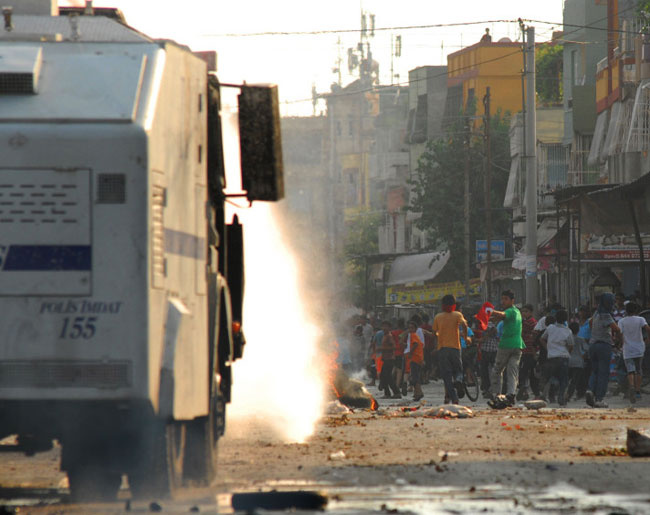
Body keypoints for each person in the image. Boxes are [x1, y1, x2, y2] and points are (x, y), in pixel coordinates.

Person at [488, 290, 525, 407]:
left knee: (497, 370)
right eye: (502, 298)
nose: (503, 301)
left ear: (512, 301)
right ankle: (511, 395)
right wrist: (490, 317)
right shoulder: (517, 312)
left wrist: (490, 311)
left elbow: (502, 315)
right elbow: (500, 318)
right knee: (513, 371)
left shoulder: (510, 311)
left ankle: (496, 395)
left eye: (505, 299)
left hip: (506, 345)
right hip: (518, 345)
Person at [586, 293, 622, 408]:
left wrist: (595, 333)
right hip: (604, 346)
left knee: (595, 371)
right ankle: (599, 399)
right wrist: (618, 341)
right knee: (603, 373)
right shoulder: (606, 315)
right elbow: (616, 329)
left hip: (593, 345)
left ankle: (590, 390)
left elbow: (590, 322)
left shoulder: (596, 313)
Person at [432, 294, 467, 405]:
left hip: (442, 349)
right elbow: (465, 325)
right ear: (454, 305)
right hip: (455, 348)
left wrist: (436, 344)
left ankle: (454, 398)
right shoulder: (457, 315)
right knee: (459, 370)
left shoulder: (438, 317)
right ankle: (458, 380)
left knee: (447, 376)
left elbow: (434, 333)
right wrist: (466, 338)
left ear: (442, 305)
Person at [538, 310, 573, 406]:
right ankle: (561, 396)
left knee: (551, 376)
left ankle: (547, 386)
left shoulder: (550, 328)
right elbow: (570, 345)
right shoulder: (568, 331)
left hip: (552, 357)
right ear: (566, 319)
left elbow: (542, 339)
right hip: (563, 357)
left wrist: (548, 348)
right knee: (564, 379)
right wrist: (566, 352)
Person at [618, 302, 649, 403]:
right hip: (639, 348)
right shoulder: (641, 319)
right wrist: (647, 340)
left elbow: (619, 334)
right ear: (636, 310)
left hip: (627, 349)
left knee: (630, 370)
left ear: (626, 310)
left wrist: (620, 343)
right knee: (639, 370)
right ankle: (637, 391)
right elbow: (648, 329)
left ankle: (631, 386)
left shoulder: (621, 321)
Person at [518, 304, 538, 400]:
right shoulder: (533, 322)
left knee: (524, 373)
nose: (524, 313)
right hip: (527, 350)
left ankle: (525, 390)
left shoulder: (529, 323)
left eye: (526, 311)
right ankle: (532, 393)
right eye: (523, 311)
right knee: (529, 374)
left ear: (531, 312)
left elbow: (521, 332)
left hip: (528, 351)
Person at [567, 321, 589, 401]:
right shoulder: (580, 339)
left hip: (568, 361)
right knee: (575, 380)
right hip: (578, 362)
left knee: (567, 379)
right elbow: (586, 349)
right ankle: (569, 395)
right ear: (578, 330)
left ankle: (564, 393)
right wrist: (584, 356)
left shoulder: (567, 338)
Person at [479, 321, 499, 398]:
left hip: (494, 350)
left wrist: (489, 331)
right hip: (485, 350)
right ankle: (486, 389)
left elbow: (495, 332)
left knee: (495, 371)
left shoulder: (496, 324)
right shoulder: (482, 324)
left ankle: (494, 389)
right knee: (484, 372)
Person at [406, 320, 425, 401]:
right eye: (409, 328)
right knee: (415, 376)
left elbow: (415, 344)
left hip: (415, 358)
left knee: (415, 377)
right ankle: (417, 392)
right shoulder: (414, 335)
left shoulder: (413, 335)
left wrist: (410, 352)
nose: (410, 329)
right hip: (418, 358)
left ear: (415, 329)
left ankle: (419, 393)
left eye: (412, 328)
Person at [391, 318, 407, 396]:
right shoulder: (404, 333)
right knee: (399, 371)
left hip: (394, 352)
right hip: (401, 352)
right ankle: (397, 386)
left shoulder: (393, 332)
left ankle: (388, 381)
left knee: (394, 369)